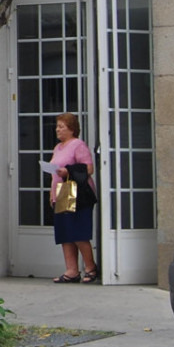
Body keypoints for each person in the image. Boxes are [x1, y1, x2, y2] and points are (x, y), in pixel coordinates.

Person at [48, 112, 99, 284]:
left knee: (78, 232)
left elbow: (88, 169)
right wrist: (51, 193)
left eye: (61, 127)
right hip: (62, 192)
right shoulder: (57, 147)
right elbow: (54, 172)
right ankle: (71, 270)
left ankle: (91, 267)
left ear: (71, 129)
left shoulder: (78, 145)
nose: (57, 130)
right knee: (65, 233)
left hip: (76, 192)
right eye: (57, 126)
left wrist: (68, 170)